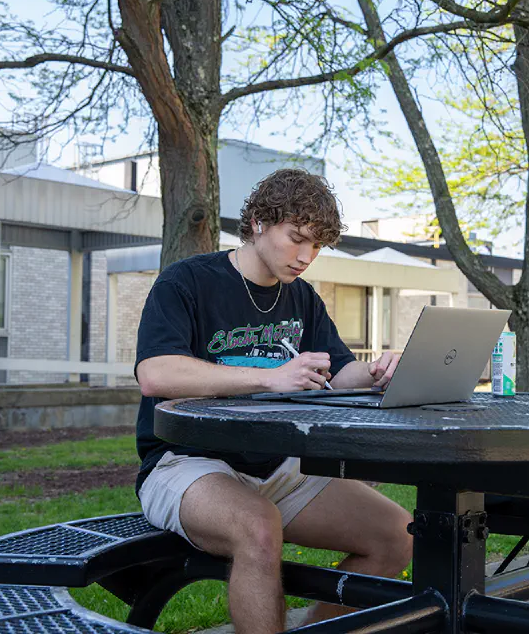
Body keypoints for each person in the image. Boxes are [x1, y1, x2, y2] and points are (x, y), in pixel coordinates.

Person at [133, 169, 413, 634]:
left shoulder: (302, 298)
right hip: (185, 464)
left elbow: (338, 372)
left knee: (397, 536)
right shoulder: (186, 281)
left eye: (317, 246)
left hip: (277, 469)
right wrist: (270, 376)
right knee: (258, 528)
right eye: (297, 239)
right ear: (260, 221)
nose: (306, 258)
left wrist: (379, 372)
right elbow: (155, 374)